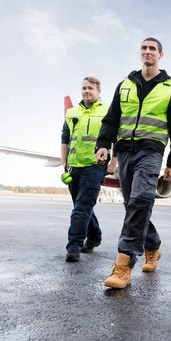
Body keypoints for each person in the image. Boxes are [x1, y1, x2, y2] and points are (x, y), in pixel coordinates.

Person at [95, 37, 171, 289]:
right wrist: (103, 144)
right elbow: (112, 119)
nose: (147, 52)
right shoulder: (125, 84)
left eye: (152, 49)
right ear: (140, 53)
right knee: (132, 204)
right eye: (144, 48)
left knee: (142, 199)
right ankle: (153, 246)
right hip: (124, 151)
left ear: (160, 55)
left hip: (151, 151)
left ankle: (123, 265)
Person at [61, 76, 111, 262]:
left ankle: (74, 245)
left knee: (81, 208)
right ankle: (95, 235)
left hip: (94, 166)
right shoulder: (72, 112)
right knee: (82, 206)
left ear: (98, 91)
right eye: (83, 88)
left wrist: (112, 163)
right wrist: (64, 162)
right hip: (74, 166)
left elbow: (116, 138)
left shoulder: (108, 111)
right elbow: (65, 137)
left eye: (90, 88)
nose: (86, 91)